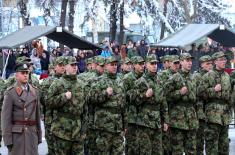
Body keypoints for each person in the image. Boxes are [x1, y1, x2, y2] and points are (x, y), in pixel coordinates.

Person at [130, 54, 169, 155]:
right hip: (144, 121)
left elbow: (163, 101)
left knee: (158, 151)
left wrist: (165, 120)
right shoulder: (140, 81)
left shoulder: (160, 80)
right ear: (146, 65)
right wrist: (145, 95)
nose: (155, 65)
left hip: (157, 121)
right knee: (145, 151)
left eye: (156, 63)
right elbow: (133, 101)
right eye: (152, 63)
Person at [47, 56, 86, 155]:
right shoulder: (58, 83)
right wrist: (64, 97)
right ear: (65, 67)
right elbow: (48, 102)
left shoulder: (81, 84)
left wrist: (84, 129)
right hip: (61, 131)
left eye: (75, 65)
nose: (75, 67)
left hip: (77, 131)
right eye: (72, 65)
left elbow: (85, 109)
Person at [1, 62, 42, 155]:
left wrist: (39, 136)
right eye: (22, 73)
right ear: (16, 75)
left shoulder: (34, 91)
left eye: (27, 73)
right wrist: (7, 140)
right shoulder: (10, 93)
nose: (25, 75)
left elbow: (37, 116)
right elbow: (5, 119)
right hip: (17, 137)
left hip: (32, 135)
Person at [88, 56, 126, 154]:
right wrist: (105, 93)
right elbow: (90, 99)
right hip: (104, 127)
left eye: (115, 65)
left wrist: (124, 124)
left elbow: (123, 104)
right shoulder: (98, 81)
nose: (114, 67)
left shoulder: (120, 81)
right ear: (105, 66)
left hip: (117, 126)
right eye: (111, 65)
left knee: (118, 152)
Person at [165, 53, 199, 154]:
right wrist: (179, 93)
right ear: (181, 62)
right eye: (187, 60)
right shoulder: (175, 77)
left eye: (190, 61)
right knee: (177, 150)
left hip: (191, 118)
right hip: (178, 119)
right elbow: (165, 95)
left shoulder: (193, 77)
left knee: (192, 150)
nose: (190, 63)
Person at [201, 52, 232, 155]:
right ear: (215, 62)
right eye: (221, 59)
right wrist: (213, 90)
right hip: (213, 116)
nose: (224, 61)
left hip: (225, 116)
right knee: (212, 147)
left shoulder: (227, 76)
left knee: (224, 146)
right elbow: (200, 93)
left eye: (225, 59)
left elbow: (230, 94)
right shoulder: (208, 75)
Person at [40, 57, 65, 155]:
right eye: (60, 65)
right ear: (55, 67)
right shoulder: (48, 82)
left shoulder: (71, 81)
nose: (62, 68)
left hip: (67, 121)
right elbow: (44, 100)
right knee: (52, 148)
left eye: (64, 65)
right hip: (52, 119)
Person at [123, 56, 145, 154]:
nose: (142, 66)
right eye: (139, 64)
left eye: (143, 64)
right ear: (134, 65)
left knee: (142, 146)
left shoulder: (145, 77)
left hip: (144, 117)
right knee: (132, 146)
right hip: (131, 117)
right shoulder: (127, 78)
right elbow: (124, 97)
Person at [193, 55, 213, 155]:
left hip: (212, 113)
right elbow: (196, 93)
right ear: (201, 65)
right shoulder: (196, 76)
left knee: (211, 141)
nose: (210, 66)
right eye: (207, 64)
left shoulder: (213, 75)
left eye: (211, 63)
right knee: (199, 142)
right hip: (200, 113)